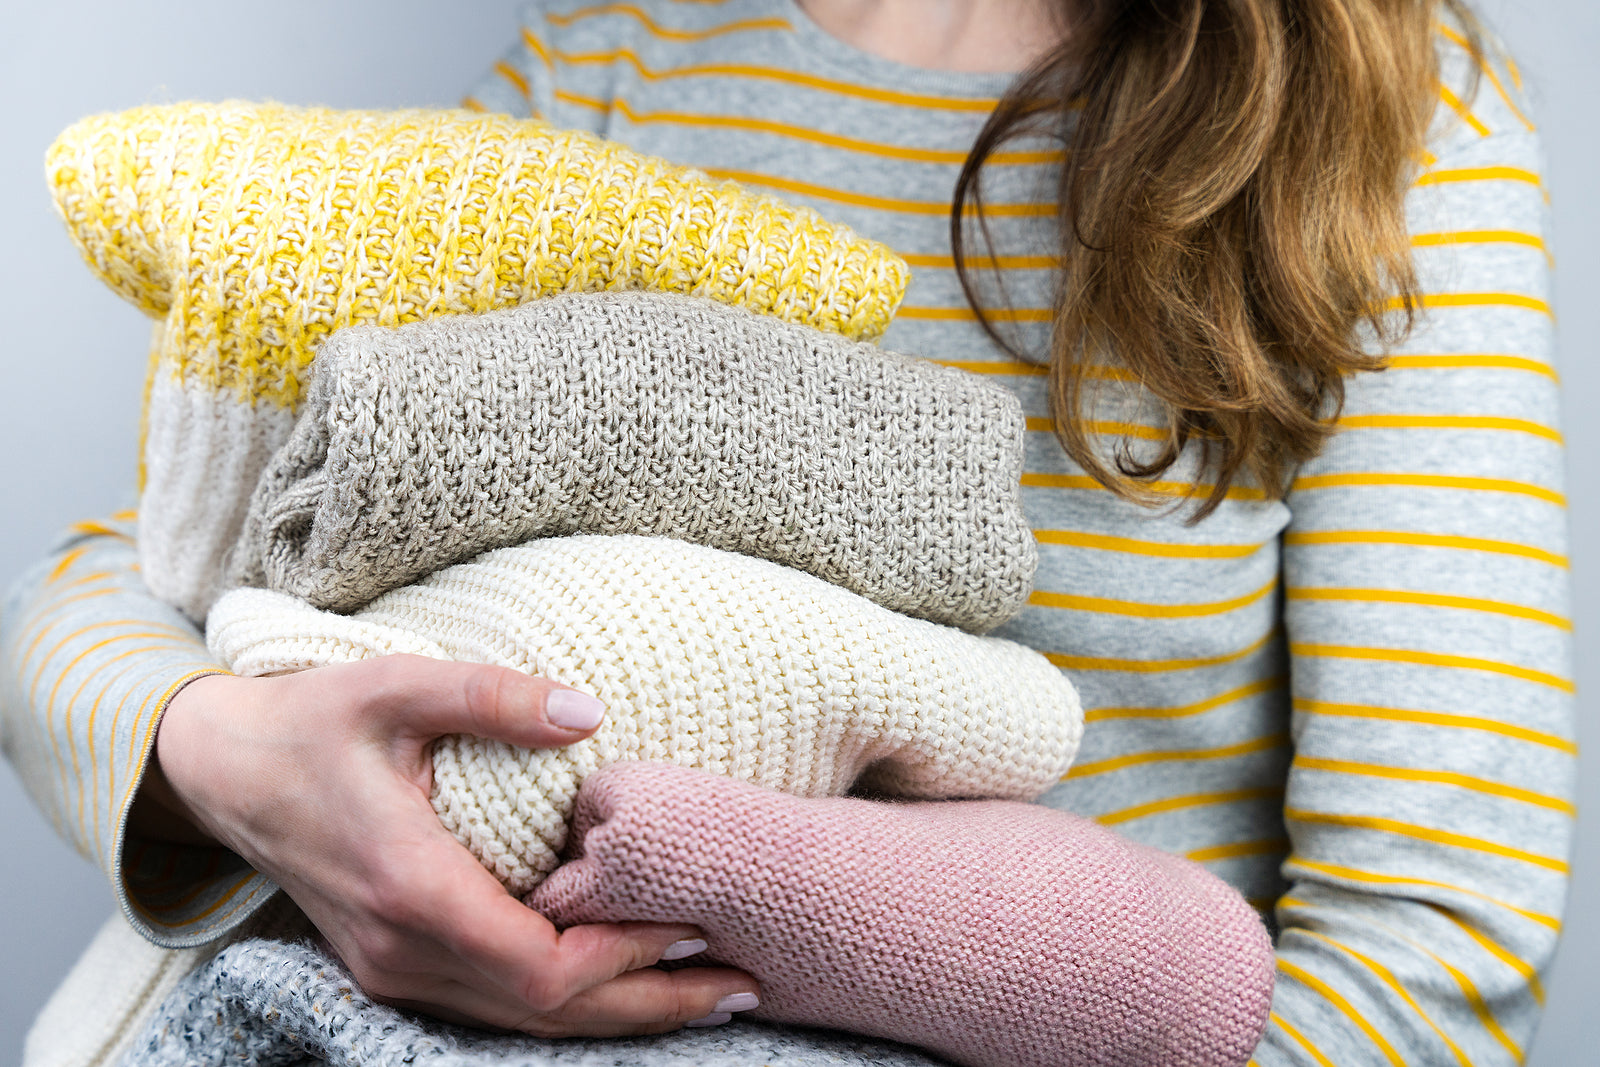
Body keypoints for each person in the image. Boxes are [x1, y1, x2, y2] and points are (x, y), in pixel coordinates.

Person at [1, 0, 1571, 1062]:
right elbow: (140, 577)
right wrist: (235, 768)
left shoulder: (1384, 129)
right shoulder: (628, 64)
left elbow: (1431, 936)